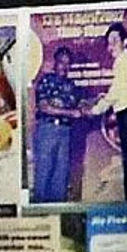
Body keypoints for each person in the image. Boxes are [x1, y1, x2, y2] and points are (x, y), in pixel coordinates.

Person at [87, 22, 127, 200]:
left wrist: (96, 110)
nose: (111, 45)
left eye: (115, 40)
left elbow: (116, 92)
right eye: (109, 42)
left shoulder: (124, 61)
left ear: (125, 41)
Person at [30, 47, 85, 202]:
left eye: (68, 64)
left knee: (61, 176)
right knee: (44, 173)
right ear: (55, 62)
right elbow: (44, 107)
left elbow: (81, 105)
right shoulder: (46, 80)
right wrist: (71, 113)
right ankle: (40, 218)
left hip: (65, 132)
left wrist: (93, 105)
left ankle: (57, 217)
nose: (64, 67)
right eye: (61, 62)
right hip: (47, 130)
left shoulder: (72, 86)